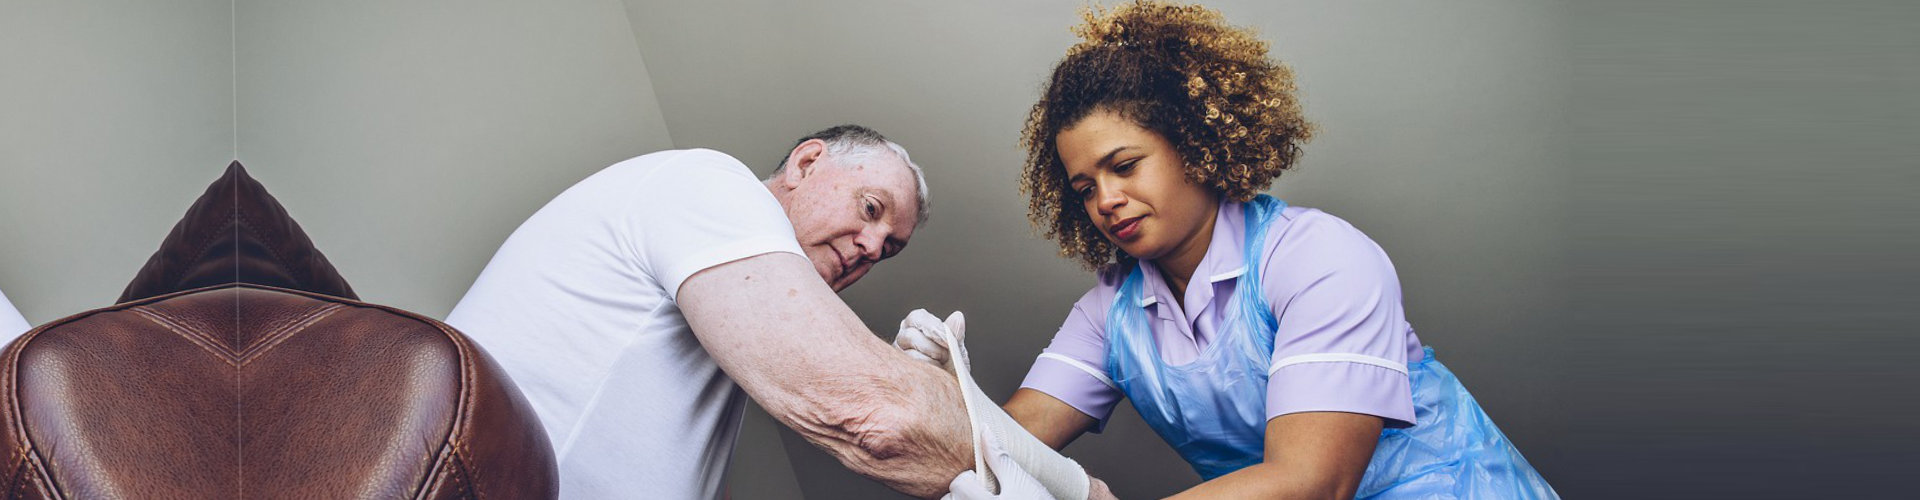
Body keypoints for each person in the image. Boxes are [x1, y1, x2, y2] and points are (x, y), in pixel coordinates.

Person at [898, 2, 1557, 498]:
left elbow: (1312, 481)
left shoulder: (1319, 258)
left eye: (1125, 165)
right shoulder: (1112, 313)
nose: (1106, 199)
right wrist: (939, 389)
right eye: (1084, 187)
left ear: (1192, 143)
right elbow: (1005, 441)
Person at [445, 125, 1112, 499]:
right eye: (871, 210)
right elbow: (878, 415)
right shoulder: (708, 183)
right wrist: (1081, 494)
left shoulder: (719, 306)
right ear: (807, 161)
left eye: (891, 249)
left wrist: (944, 390)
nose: (873, 247)